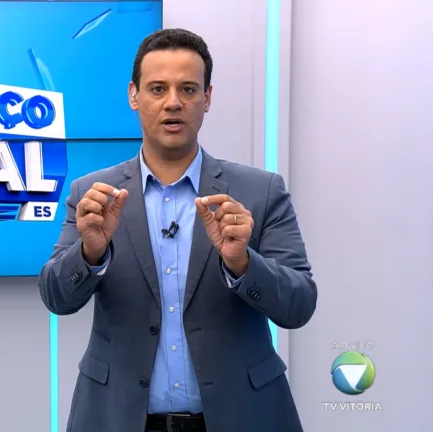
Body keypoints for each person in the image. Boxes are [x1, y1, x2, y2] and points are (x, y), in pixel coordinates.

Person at [38, 28, 317, 432]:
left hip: (241, 417)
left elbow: (300, 305)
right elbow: (56, 298)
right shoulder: (93, 194)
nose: (173, 102)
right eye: (157, 89)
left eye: (188, 89)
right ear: (133, 95)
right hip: (120, 419)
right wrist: (90, 253)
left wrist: (242, 264)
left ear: (207, 97)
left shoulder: (260, 191)